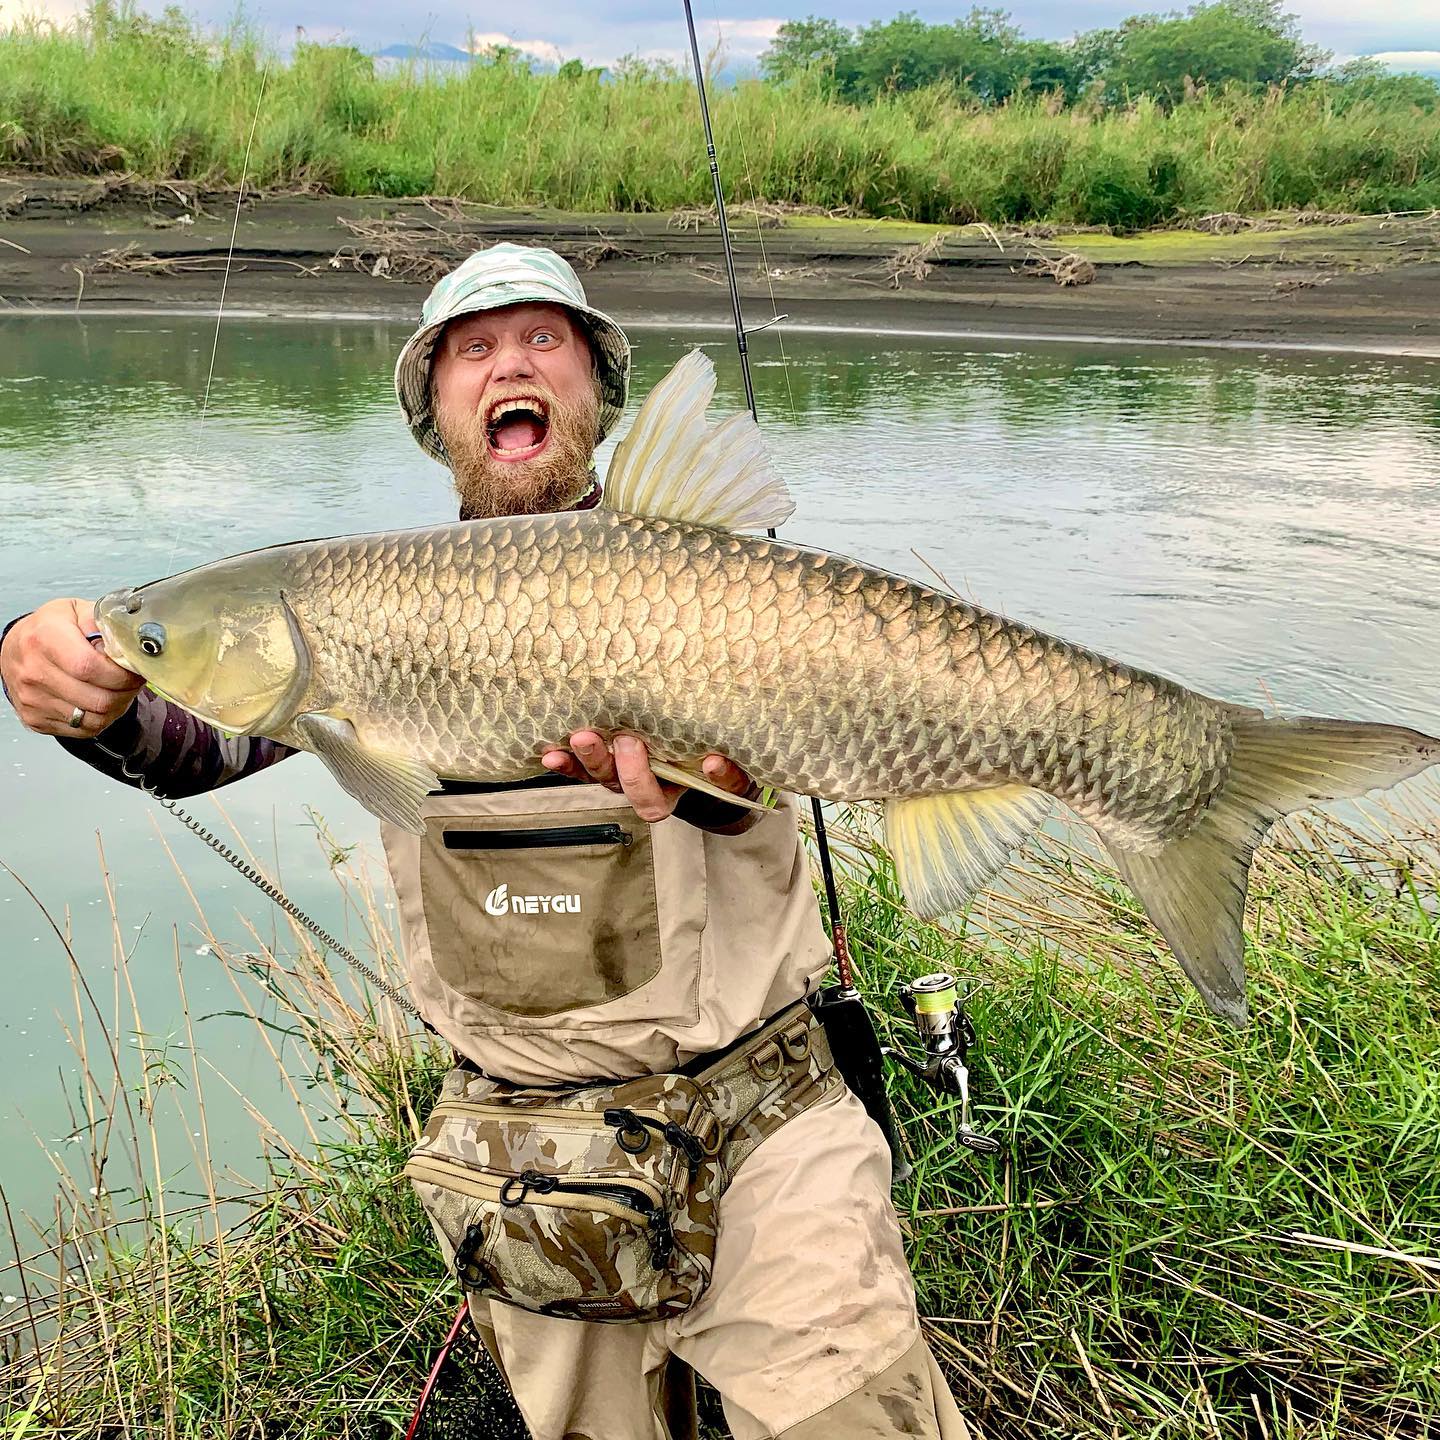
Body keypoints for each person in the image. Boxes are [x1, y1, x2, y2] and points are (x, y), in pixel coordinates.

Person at [1, 245, 970, 1440]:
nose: (510, 360)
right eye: (473, 347)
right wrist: (74, 680)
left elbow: (755, 788)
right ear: (435, 413)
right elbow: (191, 746)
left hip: (767, 1128)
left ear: (598, 393)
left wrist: (709, 784)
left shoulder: (727, 582)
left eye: (544, 337)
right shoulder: (366, 609)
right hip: (524, 1157)